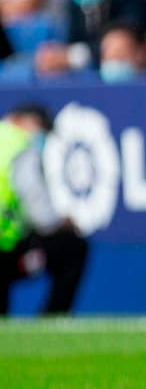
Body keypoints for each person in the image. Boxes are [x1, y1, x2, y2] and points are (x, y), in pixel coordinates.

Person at [0, 102, 89, 315]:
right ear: (22, 120)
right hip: (6, 248)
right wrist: (61, 223)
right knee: (72, 248)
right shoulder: (18, 145)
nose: (40, 136)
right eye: (39, 128)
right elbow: (38, 208)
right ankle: (52, 321)